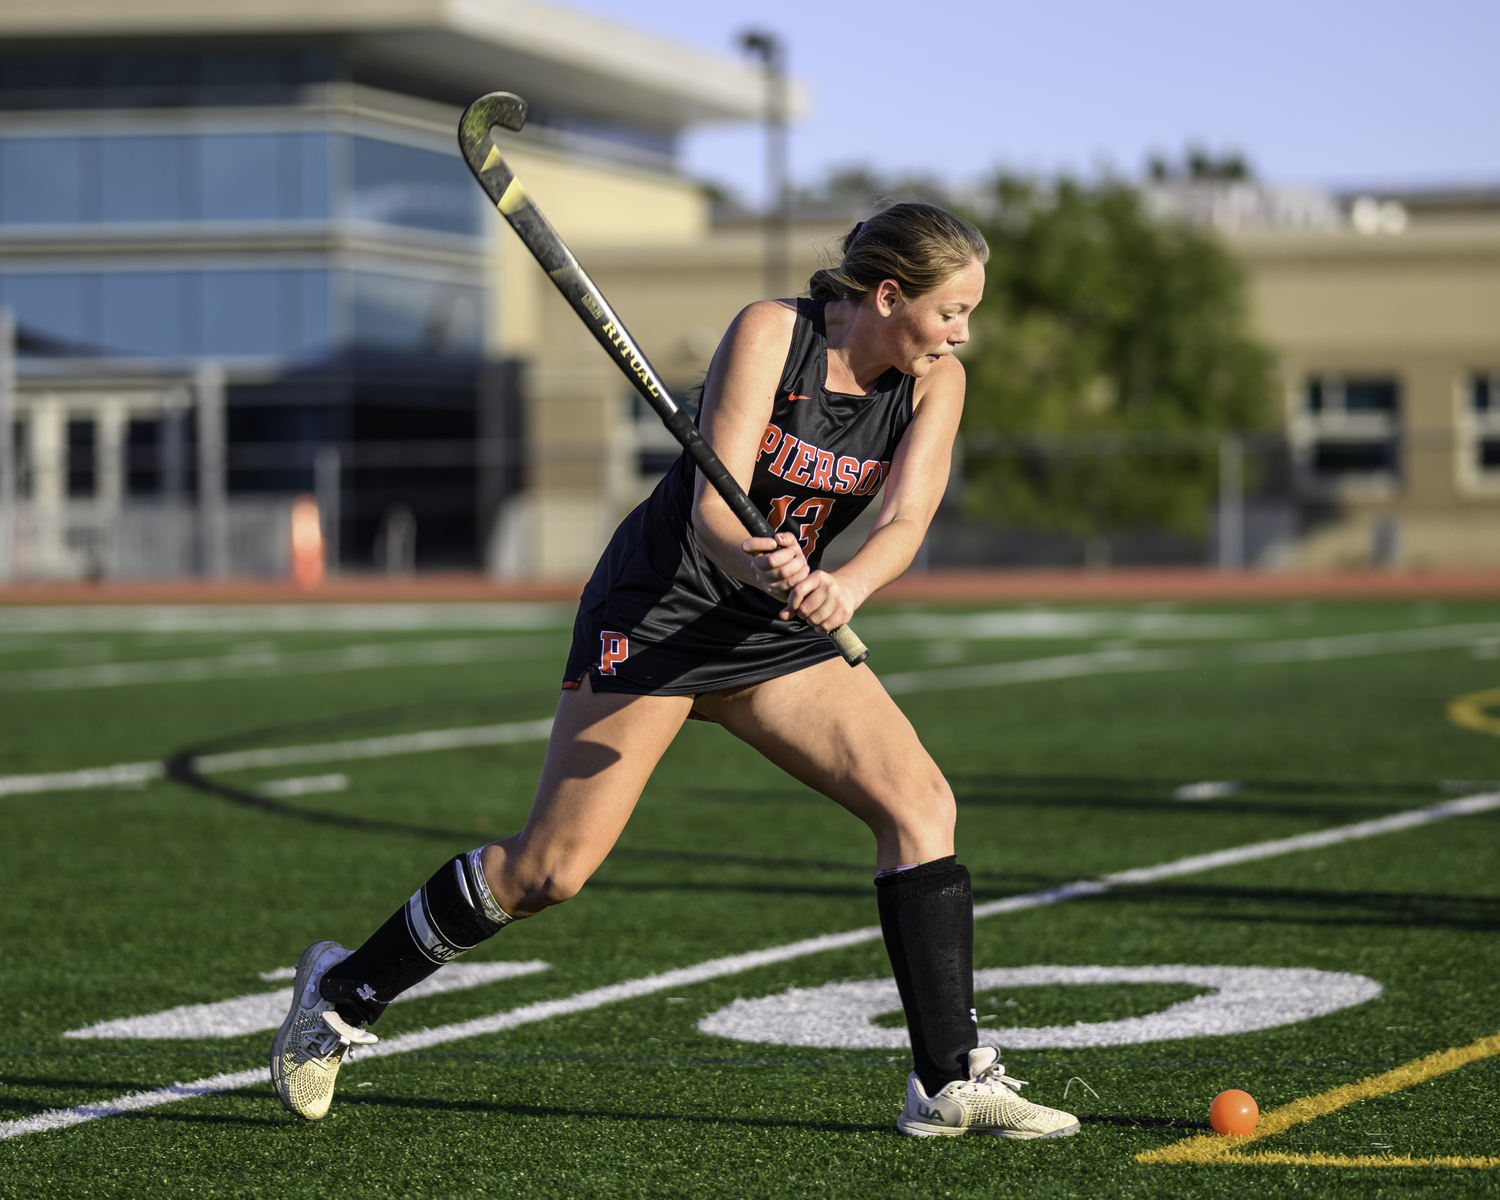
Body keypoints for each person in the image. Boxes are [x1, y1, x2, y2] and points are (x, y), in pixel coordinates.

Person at [271, 201, 1080, 1141]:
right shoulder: (770, 334)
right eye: (951, 312)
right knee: (548, 872)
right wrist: (759, 557)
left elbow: (905, 521)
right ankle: (341, 994)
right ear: (889, 294)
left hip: (778, 629)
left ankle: (945, 1082)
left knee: (920, 806)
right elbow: (712, 511)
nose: (961, 333)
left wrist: (843, 588)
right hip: (664, 612)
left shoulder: (937, 382)